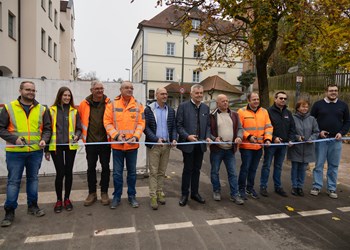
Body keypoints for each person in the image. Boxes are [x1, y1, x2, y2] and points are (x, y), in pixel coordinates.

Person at [0, 81, 51, 227]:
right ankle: (9, 211)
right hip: (15, 153)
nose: (31, 92)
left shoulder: (42, 109)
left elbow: (47, 129)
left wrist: (44, 140)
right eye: (28, 89)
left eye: (33, 90)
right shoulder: (9, 108)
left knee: (33, 180)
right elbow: (1, 128)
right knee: (13, 182)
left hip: (35, 152)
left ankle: (32, 206)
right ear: (20, 90)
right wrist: (14, 139)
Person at [104, 81, 145, 209]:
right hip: (117, 146)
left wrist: (135, 137)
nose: (130, 90)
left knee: (132, 173)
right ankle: (117, 196)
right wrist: (116, 136)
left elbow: (141, 123)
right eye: (127, 87)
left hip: (132, 146)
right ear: (120, 89)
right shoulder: (112, 104)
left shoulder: (139, 105)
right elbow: (107, 122)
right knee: (117, 173)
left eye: (131, 88)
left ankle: (131, 196)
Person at [45, 87, 82, 213]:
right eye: (65, 95)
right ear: (59, 96)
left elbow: (79, 128)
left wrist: (77, 135)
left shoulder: (74, 111)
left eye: (69, 96)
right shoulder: (51, 110)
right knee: (60, 173)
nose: (67, 98)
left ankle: (67, 199)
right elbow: (47, 130)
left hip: (71, 146)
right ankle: (58, 200)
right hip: (56, 147)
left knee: (69, 172)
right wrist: (46, 150)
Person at [310, 84, 350, 198]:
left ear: (338, 92)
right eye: (331, 90)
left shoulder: (343, 105)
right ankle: (316, 186)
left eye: (336, 90)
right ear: (326, 91)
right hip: (321, 140)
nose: (333, 92)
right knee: (319, 164)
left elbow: (347, 121)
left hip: (336, 140)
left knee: (333, 165)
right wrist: (318, 132)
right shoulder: (318, 105)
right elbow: (312, 121)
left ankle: (331, 188)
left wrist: (341, 133)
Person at [176, 84, 212, 207]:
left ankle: (195, 193)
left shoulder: (205, 108)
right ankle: (184, 194)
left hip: (200, 145)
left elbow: (208, 126)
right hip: (188, 144)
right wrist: (187, 137)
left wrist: (207, 136)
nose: (199, 95)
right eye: (197, 93)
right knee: (188, 170)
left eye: (201, 93)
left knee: (197, 170)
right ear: (191, 94)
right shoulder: (183, 107)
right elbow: (179, 125)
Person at [78, 81, 111, 206]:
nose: (99, 91)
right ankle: (92, 193)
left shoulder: (109, 103)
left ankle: (104, 192)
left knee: (106, 168)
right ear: (91, 90)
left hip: (105, 142)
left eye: (101, 88)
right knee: (91, 168)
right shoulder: (84, 104)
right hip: (91, 143)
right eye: (96, 88)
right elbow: (79, 121)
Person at [144, 87, 177, 210]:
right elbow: (145, 127)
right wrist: (155, 139)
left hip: (167, 146)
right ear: (156, 95)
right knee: (153, 171)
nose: (165, 96)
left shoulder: (171, 110)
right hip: (154, 146)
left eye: (166, 94)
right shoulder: (149, 109)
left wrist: (174, 138)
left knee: (162, 172)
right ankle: (152, 195)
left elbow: (173, 127)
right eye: (162, 94)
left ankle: (159, 191)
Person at [260, 91, 296, 197]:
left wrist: (291, 139)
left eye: (285, 99)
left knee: (278, 166)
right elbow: (265, 127)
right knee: (266, 165)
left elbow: (292, 128)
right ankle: (263, 186)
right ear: (275, 99)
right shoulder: (268, 112)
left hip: (283, 145)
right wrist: (273, 138)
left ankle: (278, 186)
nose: (283, 100)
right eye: (281, 98)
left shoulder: (288, 113)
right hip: (271, 144)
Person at [209, 94, 244, 205]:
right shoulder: (212, 115)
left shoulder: (234, 114)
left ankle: (234, 194)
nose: (225, 103)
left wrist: (239, 136)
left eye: (227, 101)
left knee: (233, 173)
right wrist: (214, 138)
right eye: (223, 101)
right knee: (215, 172)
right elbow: (207, 131)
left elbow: (240, 128)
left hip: (230, 150)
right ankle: (216, 191)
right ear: (217, 103)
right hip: (217, 150)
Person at [237, 92, 272, 200]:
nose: (256, 101)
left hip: (259, 146)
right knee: (245, 168)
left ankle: (250, 188)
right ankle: (241, 189)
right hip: (246, 146)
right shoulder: (241, 112)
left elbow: (268, 127)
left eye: (257, 99)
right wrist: (248, 136)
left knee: (253, 169)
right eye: (254, 99)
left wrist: (267, 139)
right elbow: (239, 128)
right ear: (249, 100)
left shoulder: (264, 111)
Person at [287, 99, 319, 196]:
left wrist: (311, 138)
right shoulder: (292, 118)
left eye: (306, 107)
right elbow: (290, 131)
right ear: (298, 108)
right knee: (295, 168)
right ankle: (294, 186)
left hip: (308, 148)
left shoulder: (312, 119)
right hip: (296, 148)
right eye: (302, 106)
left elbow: (316, 132)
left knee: (303, 169)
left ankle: (300, 187)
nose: (305, 108)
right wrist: (297, 137)